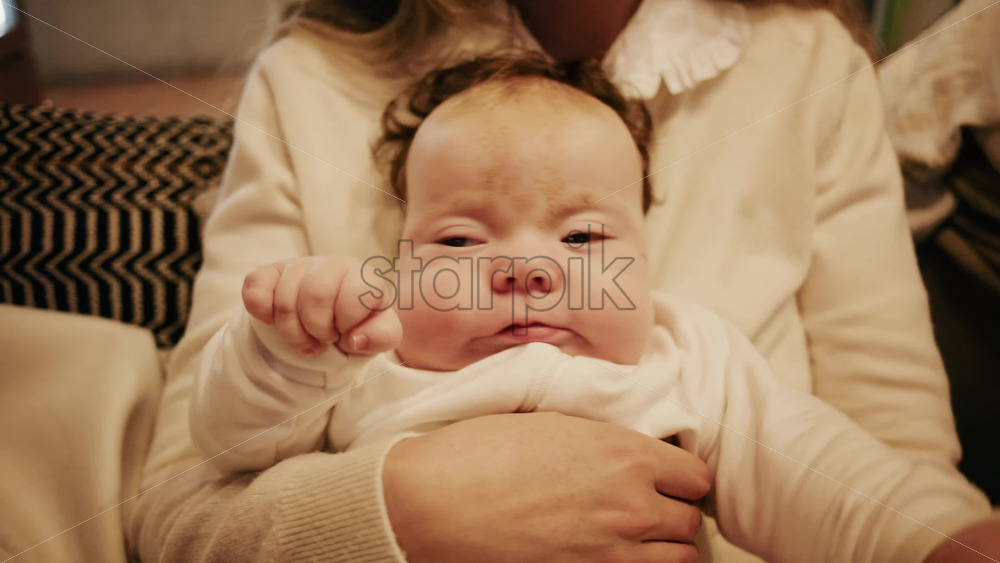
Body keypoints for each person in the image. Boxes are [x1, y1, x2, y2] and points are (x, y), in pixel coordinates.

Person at [125, 1, 995, 561]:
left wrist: (948, 537)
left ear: (646, 259)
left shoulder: (689, 358)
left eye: (583, 235)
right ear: (403, 255)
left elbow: (848, 481)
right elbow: (210, 466)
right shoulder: (368, 363)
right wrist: (286, 351)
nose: (525, 268)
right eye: (461, 240)